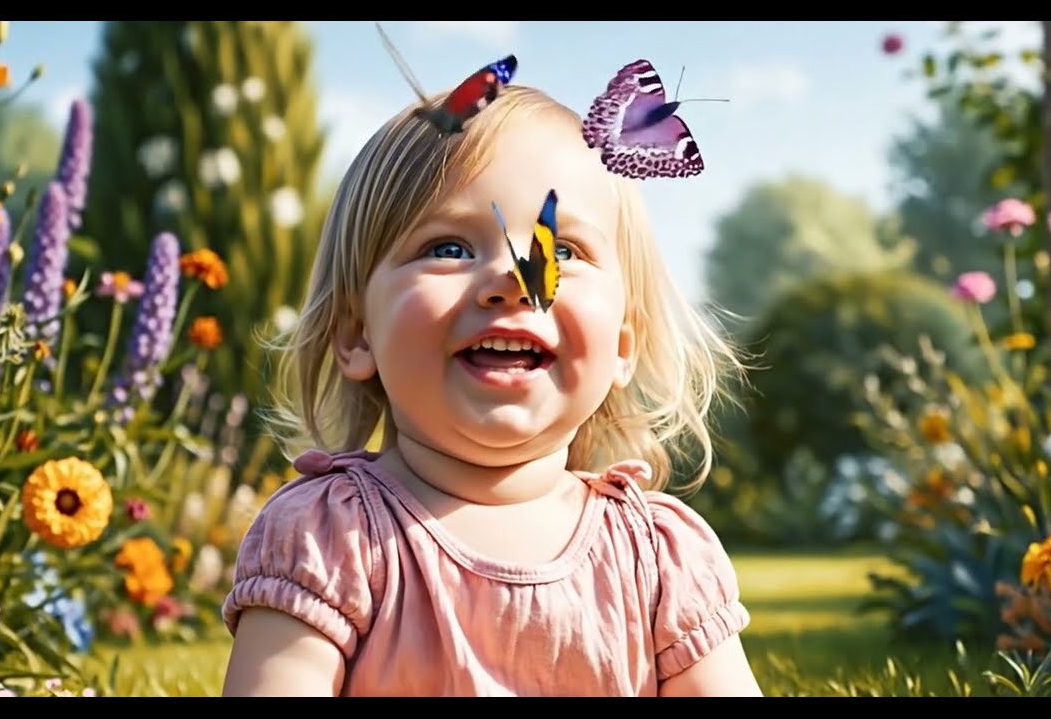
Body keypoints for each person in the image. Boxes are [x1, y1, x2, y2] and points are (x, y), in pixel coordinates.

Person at [220, 84, 763, 697]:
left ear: (620, 346)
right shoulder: (332, 540)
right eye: (448, 248)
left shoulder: (660, 560)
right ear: (356, 335)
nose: (514, 279)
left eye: (559, 252)